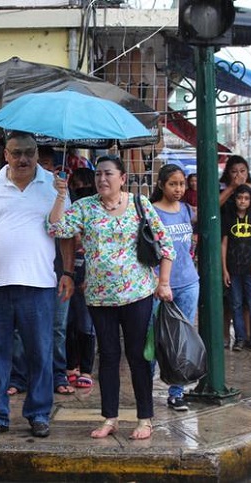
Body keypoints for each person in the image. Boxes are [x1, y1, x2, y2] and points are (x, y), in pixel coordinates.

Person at [48, 155, 175, 440]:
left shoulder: (140, 205)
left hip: (137, 294)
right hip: (99, 297)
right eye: (98, 175)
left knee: (138, 356)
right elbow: (56, 228)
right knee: (107, 357)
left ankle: (145, 419)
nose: (102, 180)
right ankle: (110, 417)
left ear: (122, 177)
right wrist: (60, 196)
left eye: (108, 174)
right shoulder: (84, 207)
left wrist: (163, 283)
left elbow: (166, 246)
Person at [0, 131, 73, 439]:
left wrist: (68, 273)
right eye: (16, 152)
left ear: (37, 154)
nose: (23, 158)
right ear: (5, 155)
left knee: (40, 353)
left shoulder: (55, 186)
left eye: (29, 152)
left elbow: (65, 233)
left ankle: (38, 414)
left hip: (39, 286)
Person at [8, 146, 76, 397]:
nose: (44, 168)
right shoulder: (18, 191)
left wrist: (68, 273)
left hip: (56, 271)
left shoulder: (59, 192)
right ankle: (19, 376)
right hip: (25, 272)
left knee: (57, 327)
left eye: (48, 164)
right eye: (42, 163)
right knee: (19, 328)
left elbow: (68, 235)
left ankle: (58, 374)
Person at [149, 164, 199, 411]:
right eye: (173, 184)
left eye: (181, 184)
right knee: (152, 339)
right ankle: (144, 390)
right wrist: (158, 281)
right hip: (156, 285)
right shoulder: (151, 212)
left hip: (188, 283)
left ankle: (176, 393)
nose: (179, 189)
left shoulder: (186, 210)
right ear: (161, 185)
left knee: (181, 341)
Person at [218, 155, 251, 347]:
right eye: (234, 171)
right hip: (228, 255)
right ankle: (229, 336)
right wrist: (232, 187)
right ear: (227, 173)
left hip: (250, 255)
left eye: (242, 171)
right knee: (229, 299)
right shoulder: (223, 188)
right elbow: (213, 207)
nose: (238, 175)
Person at [65, 167, 97, 389]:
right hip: (68, 273)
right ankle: (71, 366)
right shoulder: (69, 209)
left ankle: (85, 368)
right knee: (68, 323)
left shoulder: (94, 213)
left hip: (87, 274)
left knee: (85, 324)